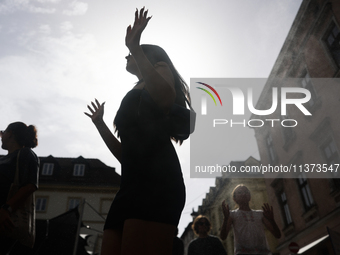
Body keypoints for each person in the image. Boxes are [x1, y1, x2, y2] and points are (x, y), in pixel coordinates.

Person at [85, 7, 189, 255]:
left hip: (158, 180)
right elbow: (126, 153)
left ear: (148, 56)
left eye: (129, 54)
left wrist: (135, 46)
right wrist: (100, 124)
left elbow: (165, 98)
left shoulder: (161, 69)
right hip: (130, 183)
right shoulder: (136, 89)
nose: (126, 57)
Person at [0, 122, 39, 254]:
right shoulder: (3, 159)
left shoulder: (25, 154)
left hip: (6, 223)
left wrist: (6, 209)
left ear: (10, 133)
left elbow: (29, 186)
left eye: (4, 132)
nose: (1, 135)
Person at [220, 184, 281, 255]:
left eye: (246, 192)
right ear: (235, 199)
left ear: (250, 197)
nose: (243, 194)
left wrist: (272, 220)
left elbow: (277, 235)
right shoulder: (232, 214)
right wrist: (225, 219)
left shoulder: (260, 214)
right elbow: (223, 237)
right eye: (240, 192)